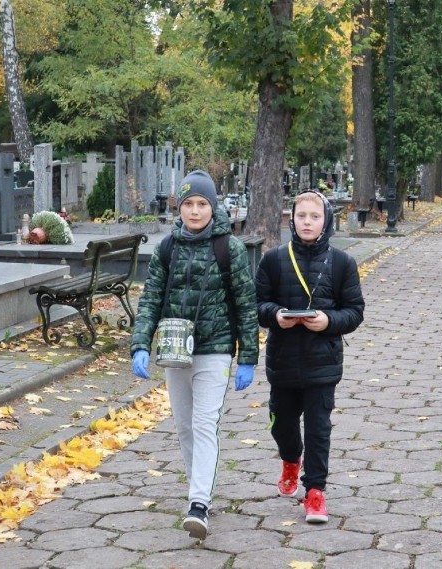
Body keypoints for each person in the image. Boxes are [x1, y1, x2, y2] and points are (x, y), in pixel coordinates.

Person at [130, 170, 259, 539]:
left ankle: (199, 503)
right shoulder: (168, 247)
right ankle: (196, 492)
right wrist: (140, 343)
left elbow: (246, 303)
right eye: (189, 203)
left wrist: (247, 356)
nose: (196, 210)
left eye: (202, 203)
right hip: (175, 350)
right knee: (184, 427)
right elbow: (152, 296)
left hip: (215, 349)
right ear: (180, 207)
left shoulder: (228, 248)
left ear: (212, 206)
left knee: (205, 424)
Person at [255, 190, 364, 523]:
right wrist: (276, 315)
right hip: (283, 361)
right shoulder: (273, 260)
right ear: (292, 219)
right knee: (281, 424)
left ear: (325, 221)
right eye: (301, 215)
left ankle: (315, 492)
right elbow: (257, 305)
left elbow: (355, 311)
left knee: (319, 429)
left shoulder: (342, 262)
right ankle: (290, 458)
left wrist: (328, 321)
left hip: (323, 363)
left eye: (314, 217)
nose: (307, 222)